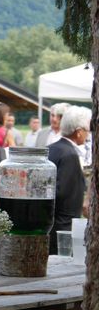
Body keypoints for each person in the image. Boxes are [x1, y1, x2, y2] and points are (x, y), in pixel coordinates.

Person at [47, 106, 91, 255]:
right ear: (78, 131)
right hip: (63, 228)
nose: (88, 134)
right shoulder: (70, 155)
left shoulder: (51, 148)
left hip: (49, 224)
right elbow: (63, 193)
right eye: (86, 130)